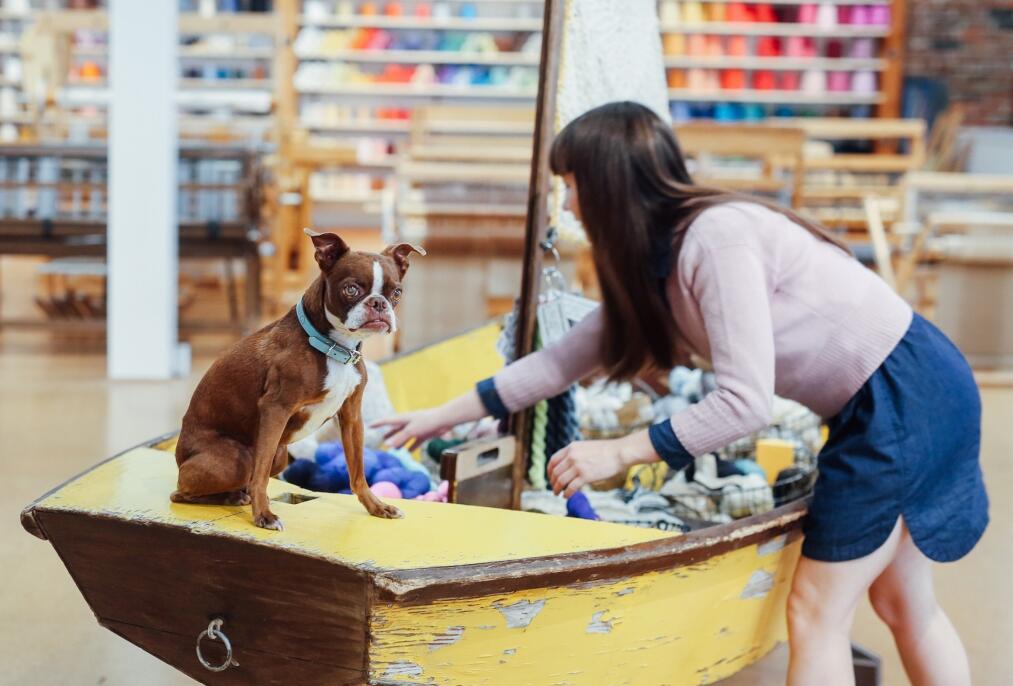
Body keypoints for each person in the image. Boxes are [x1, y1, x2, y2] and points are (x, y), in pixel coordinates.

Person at [372, 101, 987, 685]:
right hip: (912, 387)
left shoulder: (714, 239)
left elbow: (745, 403)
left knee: (814, 614)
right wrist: (434, 418)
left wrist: (619, 453)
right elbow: (557, 362)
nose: (568, 203)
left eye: (571, 183)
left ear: (607, 183)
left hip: (901, 397)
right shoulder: (658, 269)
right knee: (904, 602)